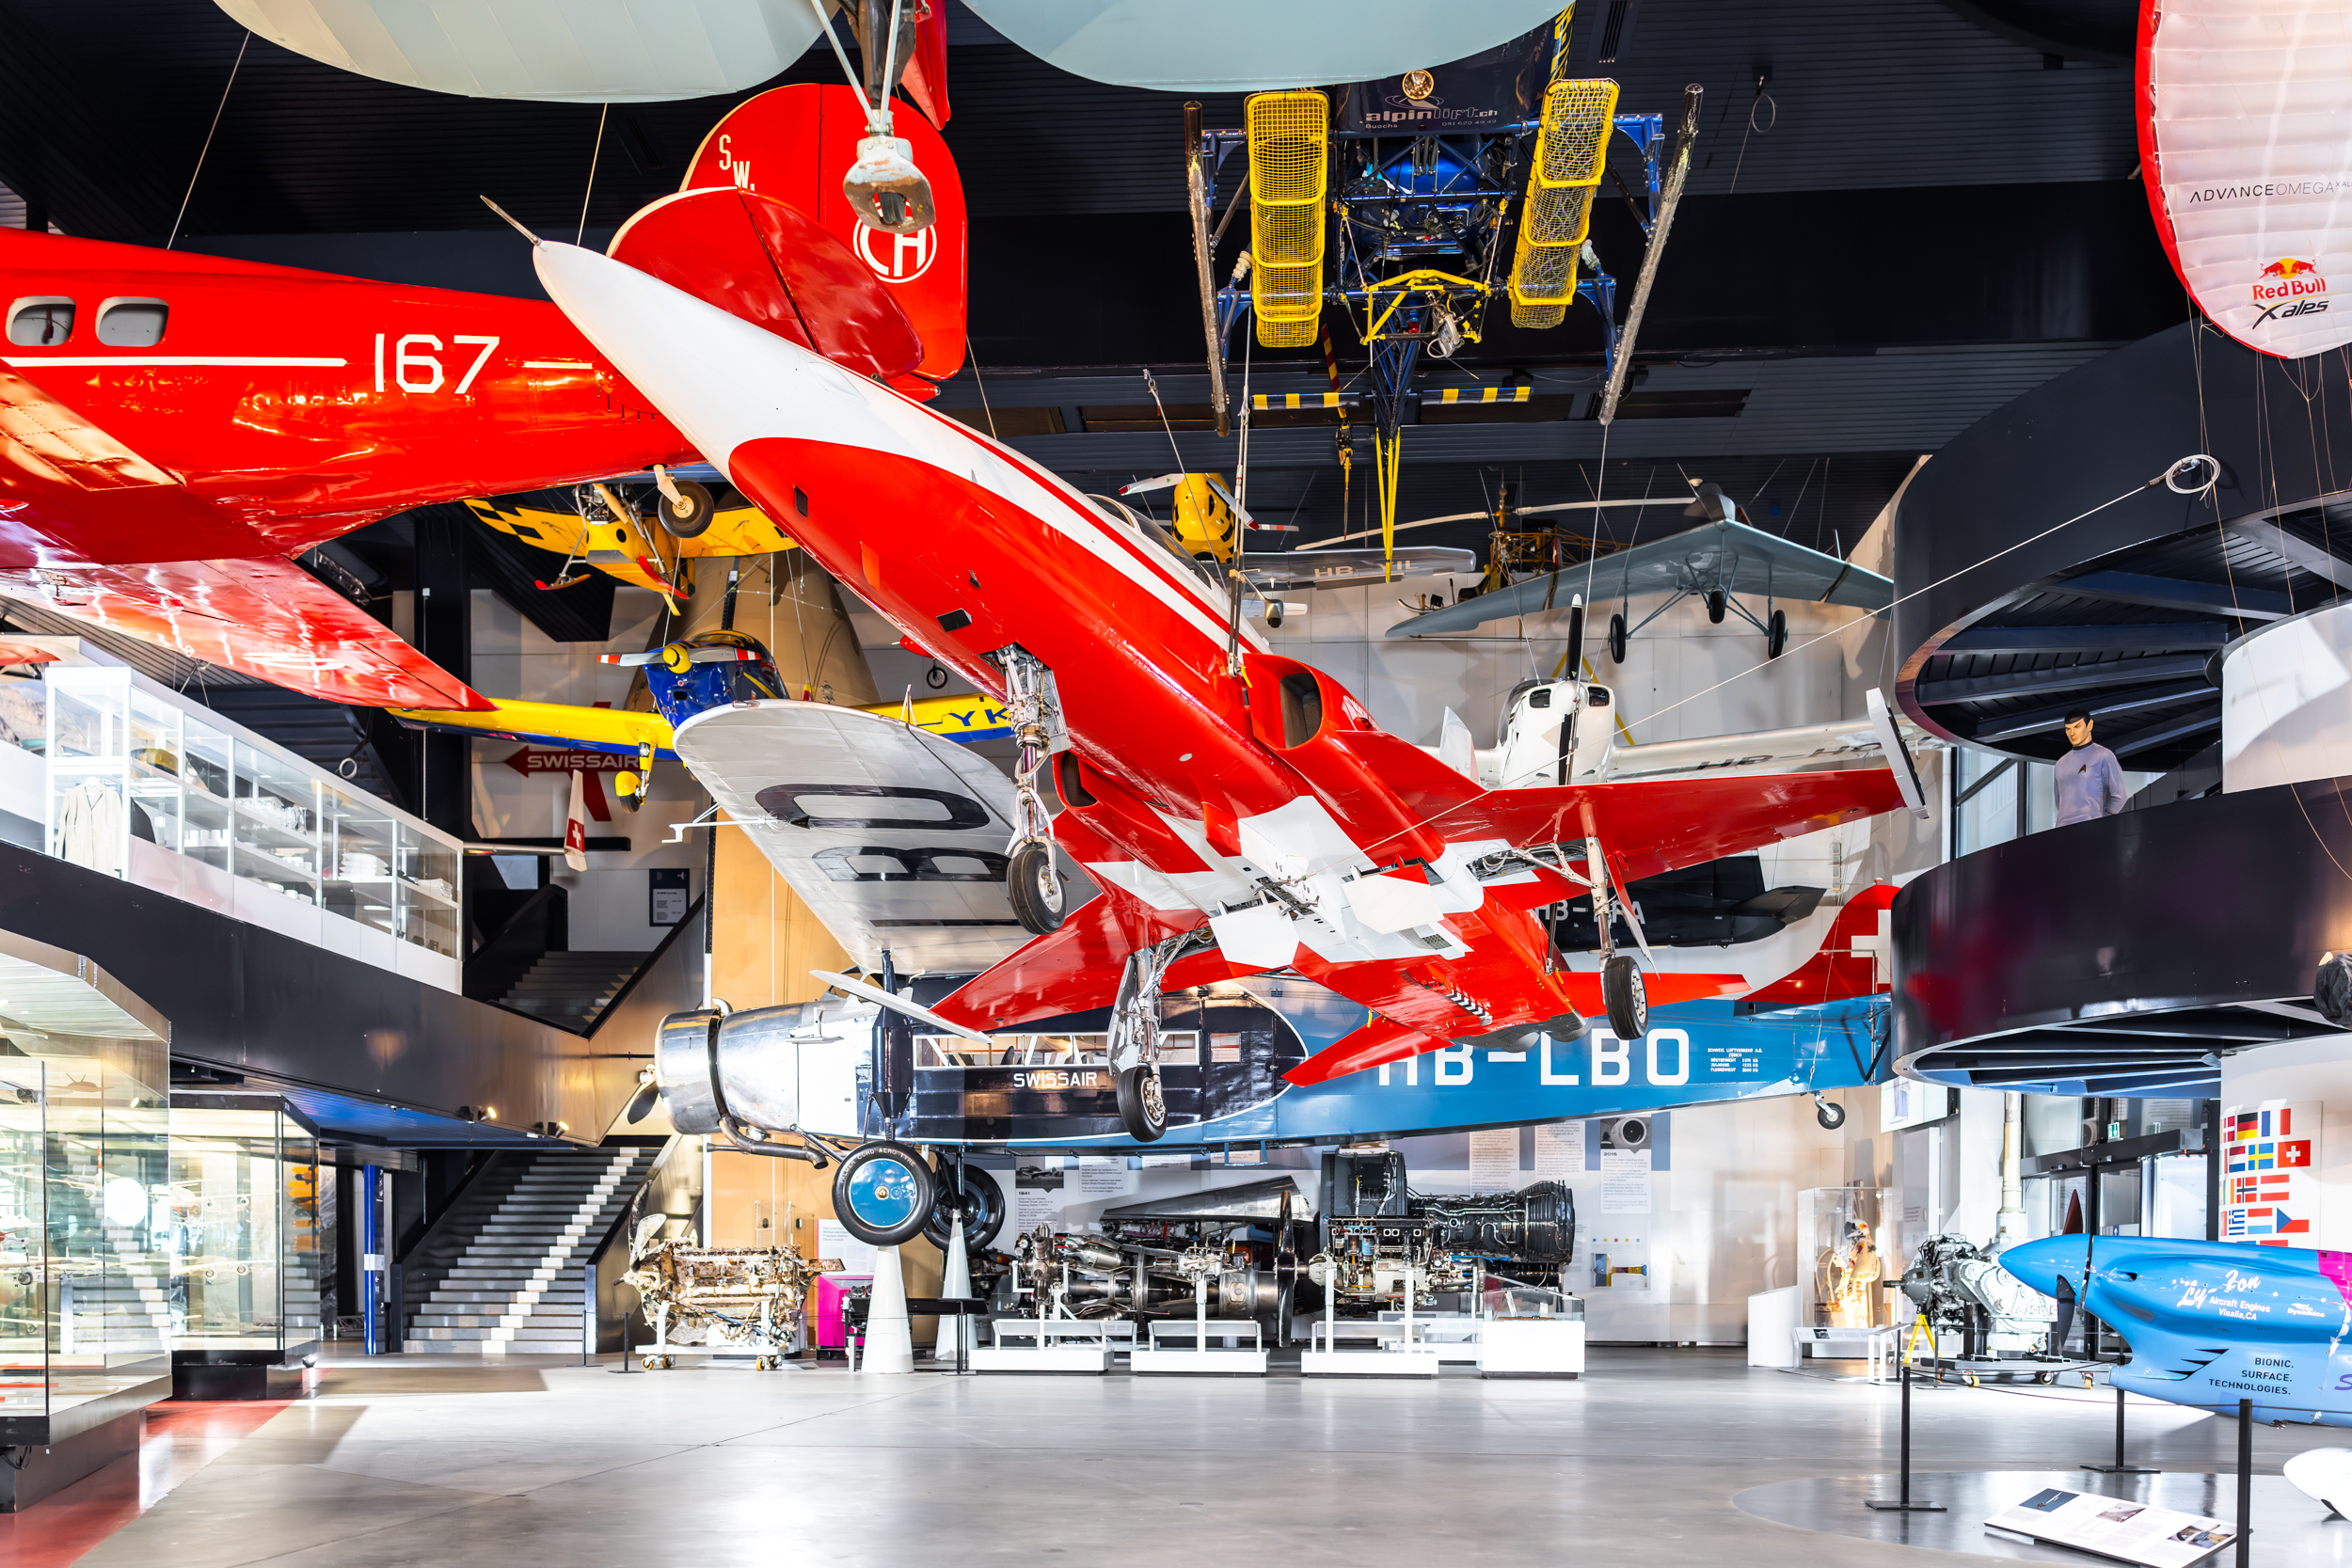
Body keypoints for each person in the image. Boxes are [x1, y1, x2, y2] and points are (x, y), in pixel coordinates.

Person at [2054, 707, 2127, 826]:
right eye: (2068, 729)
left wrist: (2102, 820)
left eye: (2077, 726)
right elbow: (2059, 803)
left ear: (2089, 725)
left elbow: (2120, 796)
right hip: (2061, 829)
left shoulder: (2103, 755)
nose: (2072, 733)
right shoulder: (2060, 763)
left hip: (2091, 828)